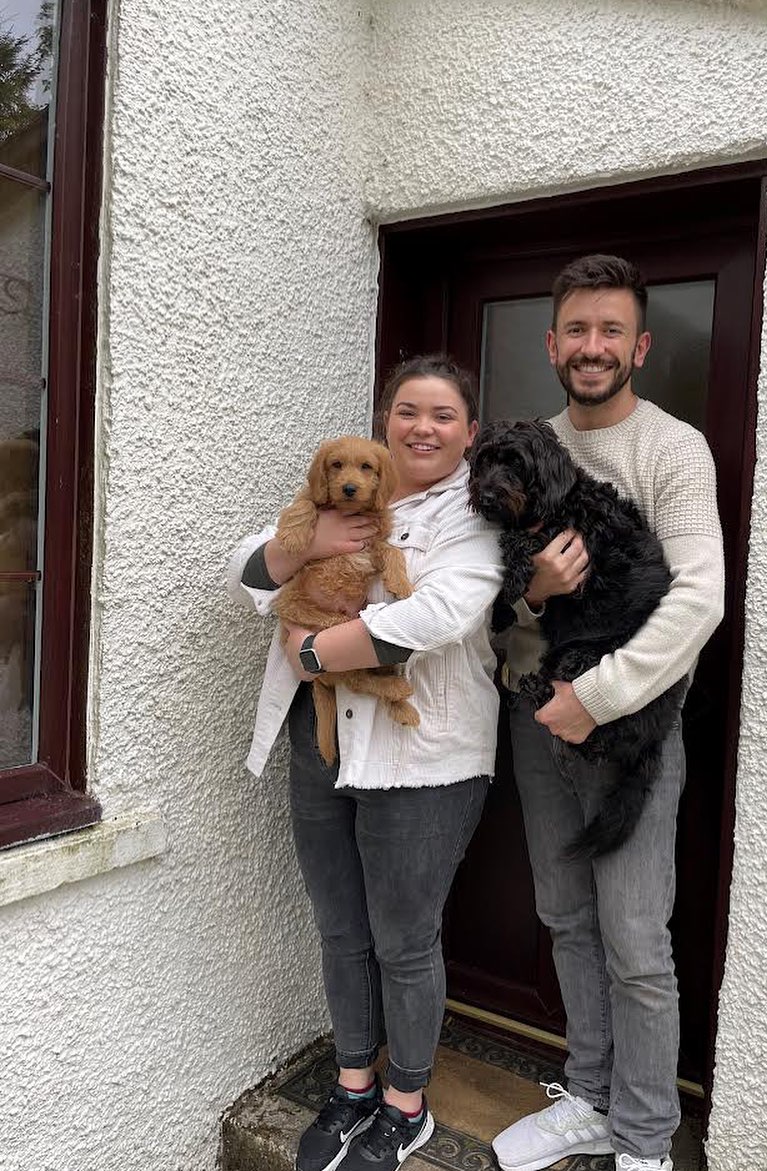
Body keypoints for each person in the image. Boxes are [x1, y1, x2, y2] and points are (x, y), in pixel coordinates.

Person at [226, 355, 502, 1171]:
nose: (422, 427)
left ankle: (405, 1103)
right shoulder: (329, 498)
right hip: (322, 749)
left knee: (404, 939)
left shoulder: (478, 512)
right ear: (385, 424)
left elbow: (440, 613)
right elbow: (245, 567)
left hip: (423, 761)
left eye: (442, 415)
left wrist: (314, 649)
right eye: (407, 410)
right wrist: (307, 544)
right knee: (339, 924)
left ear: (469, 432)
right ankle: (352, 1081)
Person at [490, 256, 724, 1171]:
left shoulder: (672, 449)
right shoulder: (523, 451)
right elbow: (492, 603)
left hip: (629, 727)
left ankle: (644, 1138)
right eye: (578, 331)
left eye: (611, 331)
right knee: (565, 916)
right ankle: (588, 1094)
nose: (593, 347)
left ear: (640, 346)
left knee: (635, 941)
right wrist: (535, 595)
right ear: (552, 344)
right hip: (534, 717)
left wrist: (595, 699)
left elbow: (697, 598)